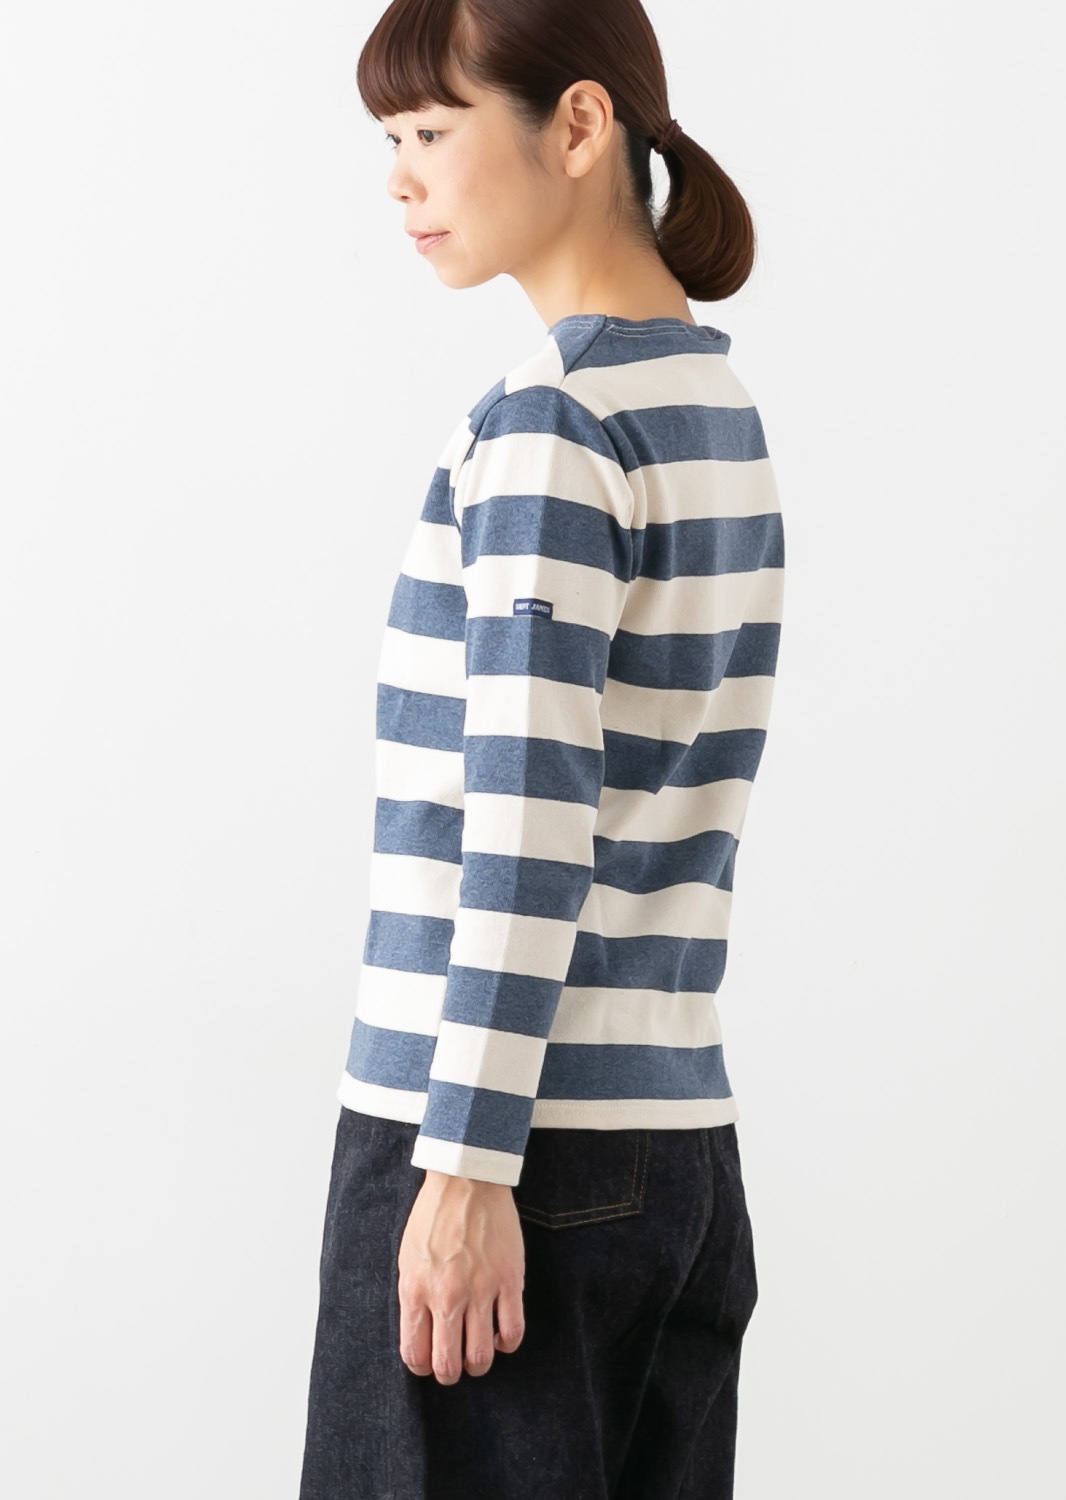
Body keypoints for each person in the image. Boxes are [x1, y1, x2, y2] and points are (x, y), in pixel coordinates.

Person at [296, 1, 785, 1496]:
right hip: (674, 1153)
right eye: (391, 138)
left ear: (578, 126)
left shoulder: (552, 425)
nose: (400, 177)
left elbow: (528, 820)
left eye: (431, 129)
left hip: (505, 1151)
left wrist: (463, 1164)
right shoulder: (710, 406)